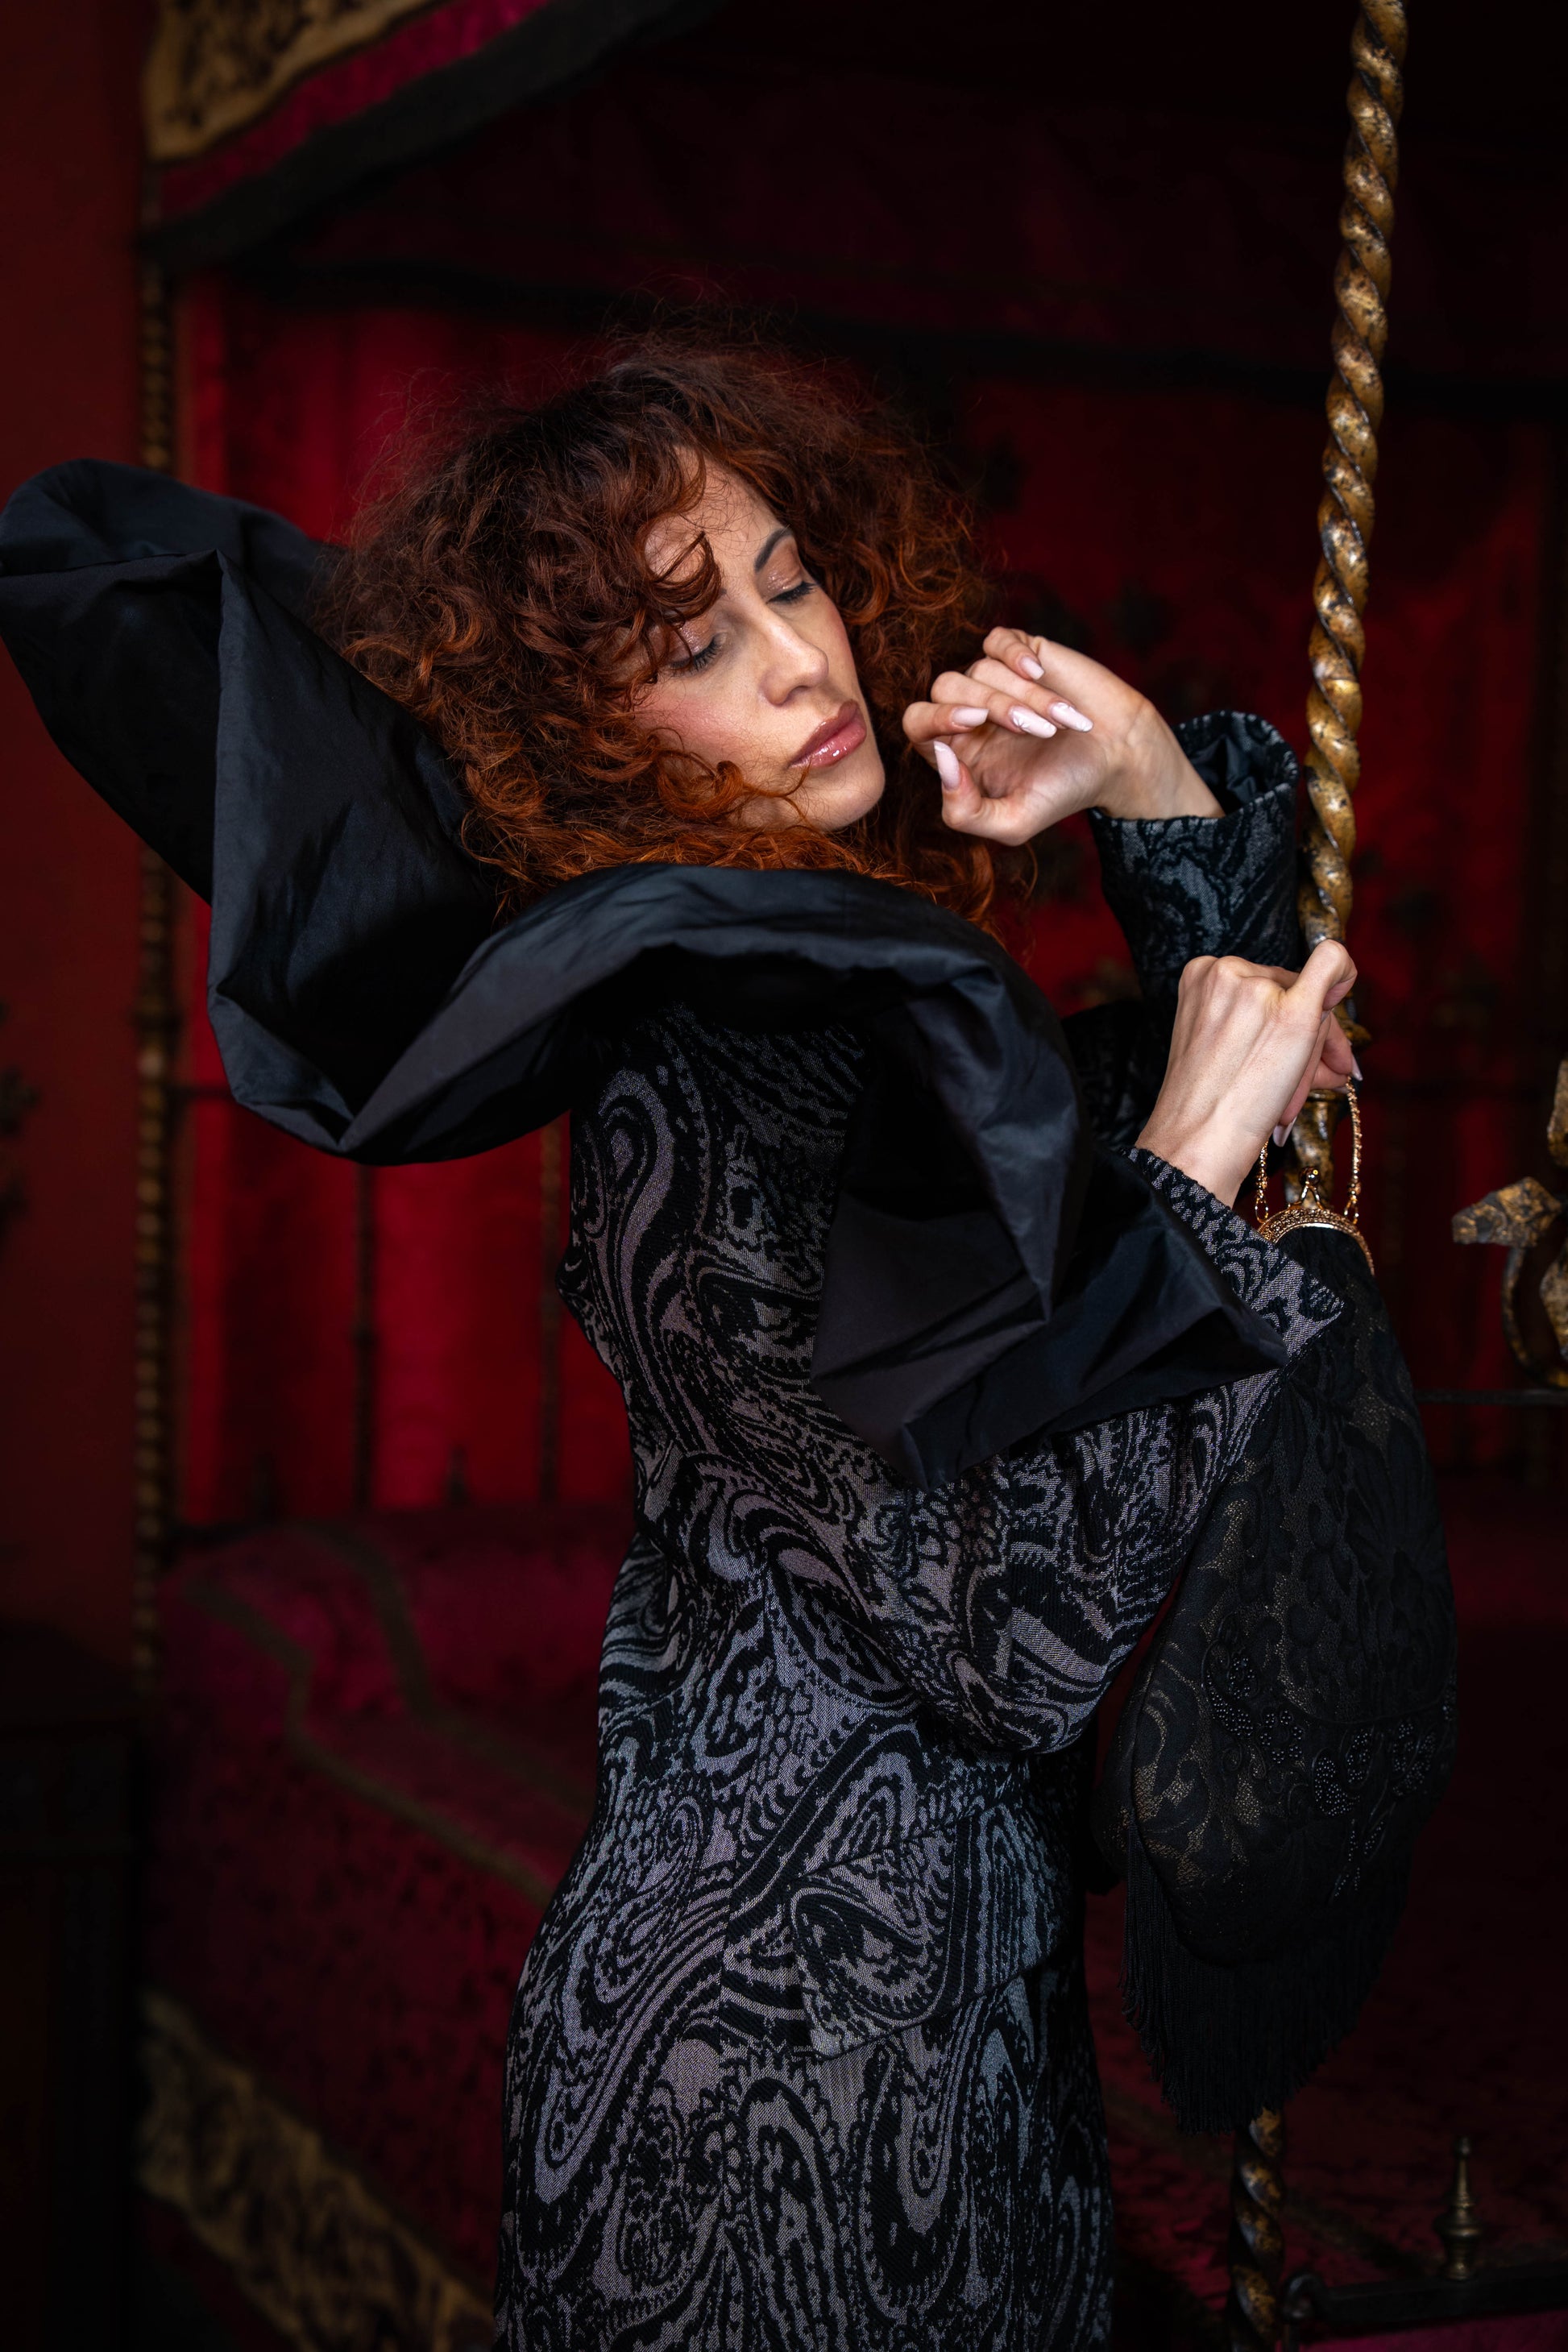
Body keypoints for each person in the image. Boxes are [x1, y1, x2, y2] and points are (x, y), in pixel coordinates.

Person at [1, 342, 1363, 2349]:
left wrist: (1150, 780)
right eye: (700, 643)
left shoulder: (850, 1024)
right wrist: (1180, 1171)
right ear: (589, 736)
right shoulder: (694, 1084)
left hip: (944, 2038)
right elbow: (1004, 1635)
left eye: (792, 582)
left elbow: (1266, 1078)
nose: (804, 664)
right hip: (761, 2084)